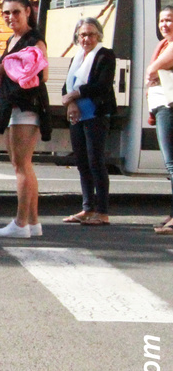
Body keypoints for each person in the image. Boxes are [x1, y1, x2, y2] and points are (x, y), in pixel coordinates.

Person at [0, 0, 50, 238]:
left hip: (27, 106)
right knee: (20, 165)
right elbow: (14, 72)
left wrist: (4, 69)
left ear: (28, 12)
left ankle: (21, 223)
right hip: (13, 106)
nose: (11, 17)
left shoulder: (34, 40)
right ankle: (32, 222)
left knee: (22, 165)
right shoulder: (13, 39)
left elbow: (41, 75)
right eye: (6, 13)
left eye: (16, 12)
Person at [60, 17, 116, 226]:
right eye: (83, 34)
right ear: (77, 37)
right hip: (77, 116)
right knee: (82, 162)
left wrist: (74, 95)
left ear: (99, 35)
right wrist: (71, 104)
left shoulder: (105, 55)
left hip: (96, 115)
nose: (87, 38)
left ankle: (102, 212)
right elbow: (67, 87)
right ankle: (87, 208)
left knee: (96, 162)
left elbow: (102, 85)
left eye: (91, 34)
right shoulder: (76, 58)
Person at [147, 6, 173, 234]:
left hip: (170, 106)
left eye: (169, 20)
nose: (164, 24)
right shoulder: (165, 45)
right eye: (161, 20)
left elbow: (153, 69)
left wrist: (152, 70)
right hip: (162, 105)